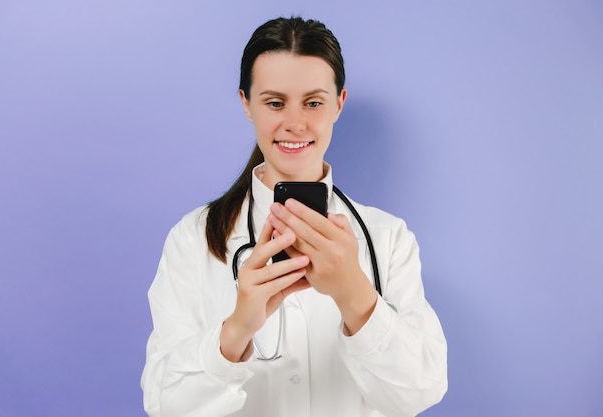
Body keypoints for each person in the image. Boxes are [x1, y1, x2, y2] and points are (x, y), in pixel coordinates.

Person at [141, 16, 447, 417]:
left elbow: (419, 393)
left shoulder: (387, 237)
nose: (295, 123)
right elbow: (165, 405)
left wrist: (354, 294)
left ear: (339, 104)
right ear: (246, 104)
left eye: (314, 102)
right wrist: (237, 329)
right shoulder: (194, 238)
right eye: (274, 102)